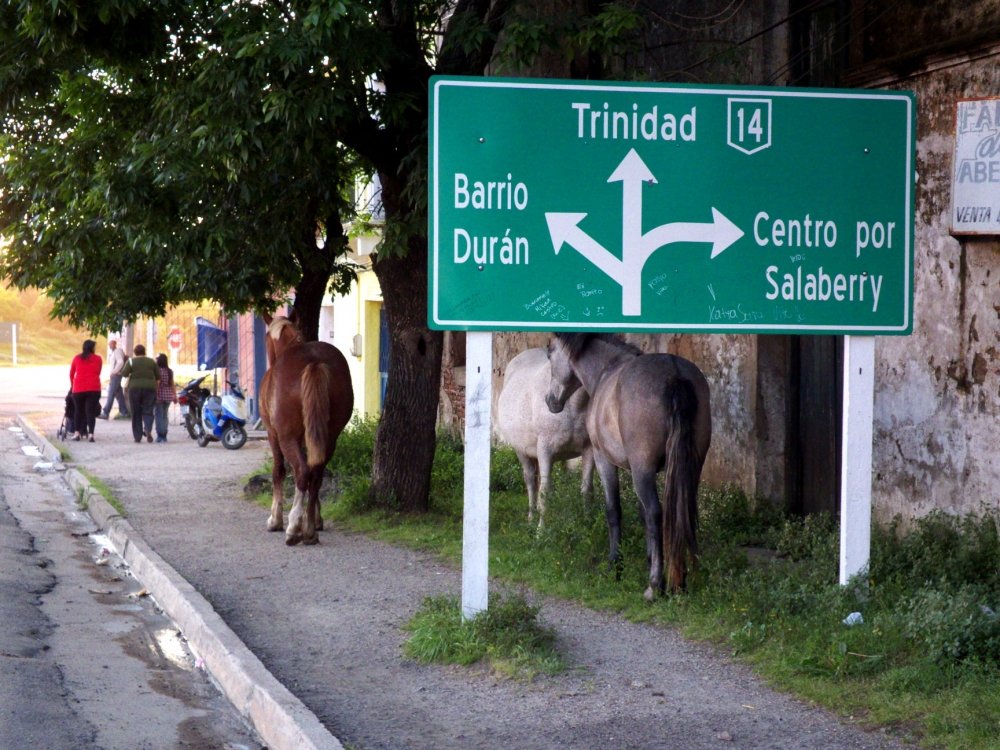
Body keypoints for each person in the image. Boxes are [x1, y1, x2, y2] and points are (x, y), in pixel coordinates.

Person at [119, 344, 160, 443]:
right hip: (150, 388)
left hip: (134, 388)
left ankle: (137, 437)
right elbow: (158, 377)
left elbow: (124, 373)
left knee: (136, 412)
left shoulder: (131, 361)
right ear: (144, 351)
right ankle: (148, 429)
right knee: (148, 410)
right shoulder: (151, 361)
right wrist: (156, 389)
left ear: (135, 352)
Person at [69, 340, 103, 442]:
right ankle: (91, 435)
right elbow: (98, 371)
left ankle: (77, 433)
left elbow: (71, 374)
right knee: (90, 412)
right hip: (94, 388)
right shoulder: (98, 359)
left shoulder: (77, 358)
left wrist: (72, 385)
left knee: (78, 411)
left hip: (79, 388)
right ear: (92, 348)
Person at [97, 339, 129, 420]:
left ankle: (106, 412)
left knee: (111, 393)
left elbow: (120, 362)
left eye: (111, 344)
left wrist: (114, 371)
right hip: (116, 375)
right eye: (109, 344)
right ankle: (124, 411)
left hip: (116, 375)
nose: (110, 346)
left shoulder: (117, 351)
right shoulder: (114, 352)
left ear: (115, 344)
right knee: (119, 394)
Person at [153, 353, 177, 443]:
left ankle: (160, 435)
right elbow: (172, 384)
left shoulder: (157, 371)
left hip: (159, 395)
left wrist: (155, 394)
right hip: (168, 396)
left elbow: (157, 384)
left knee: (158, 416)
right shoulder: (169, 371)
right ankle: (165, 435)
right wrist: (175, 396)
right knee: (164, 415)